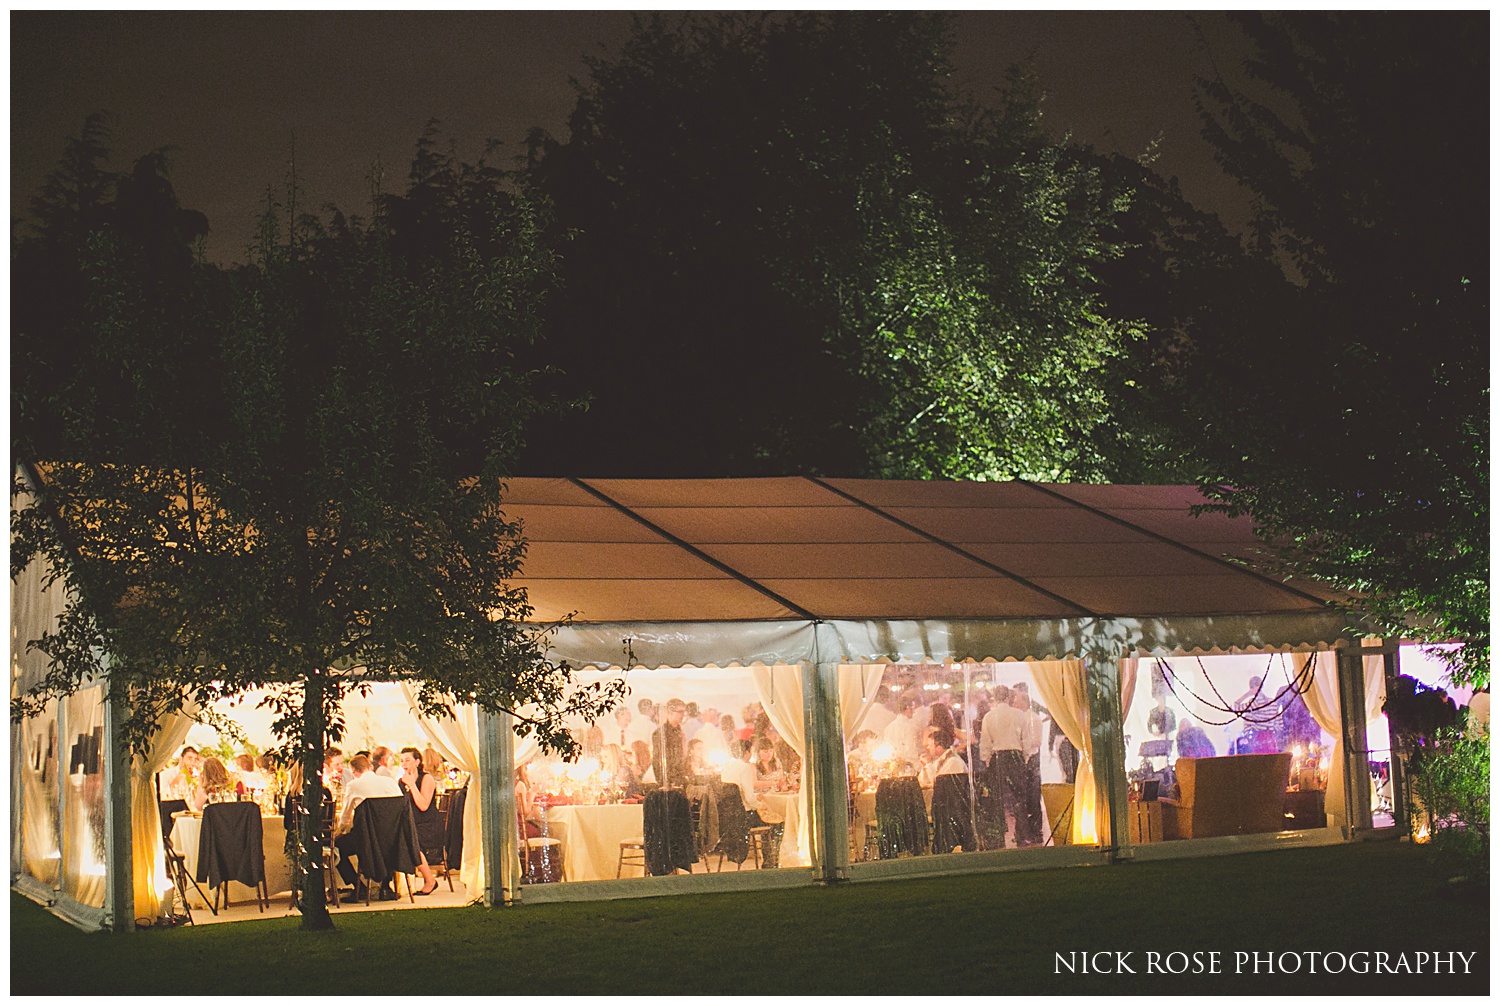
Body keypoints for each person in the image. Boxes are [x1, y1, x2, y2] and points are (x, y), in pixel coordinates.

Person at [334, 754, 404, 900]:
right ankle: (385, 887)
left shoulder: (353, 785)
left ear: (353, 772)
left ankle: (358, 886)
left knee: (337, 846)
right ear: (370, 767)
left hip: (366, 839)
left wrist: (339, 831)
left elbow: (345, 817)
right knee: (385, 843)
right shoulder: (390, 782)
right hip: (393, 836)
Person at [980, 685, 1026, 847]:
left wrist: (986, 759)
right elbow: (1025, 738)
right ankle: (1022, 834)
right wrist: (1024, 756)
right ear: (1008, 697)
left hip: (998, 757)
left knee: (997, 798)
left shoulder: (989, 717)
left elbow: (985, 741)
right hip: (1015, 755)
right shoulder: (1019, 715)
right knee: (1019, 796)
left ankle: (998, 835)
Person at [398, 747, 442, 895]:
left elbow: (423, 805)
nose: (404, 764)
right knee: (396, 836)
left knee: (411, 840)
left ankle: (430, 880)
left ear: (417, 761)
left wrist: (411, 785)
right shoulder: (401, 781)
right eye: (402, 760)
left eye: (408, 760)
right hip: (411, 822)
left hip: (428, 824)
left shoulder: (426, 778)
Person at [1012, 683, 1044, 846]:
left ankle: (1035, 831)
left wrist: (1023, 743)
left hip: (1031, 760)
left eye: (1017, 701)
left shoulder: (1033, 719)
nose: (1014, 703)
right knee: (1025, 797)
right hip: (1025, 759)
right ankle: (1027, 832)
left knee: (1033, 797)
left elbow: (1036, 741)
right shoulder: (1022, 718)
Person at [651, 698, 690, 790]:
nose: (683, 715)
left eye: (684, 712)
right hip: (668, 782)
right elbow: (657, 760)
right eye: (680, 712)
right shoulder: (661, 733)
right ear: (670, 712)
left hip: (681, 779)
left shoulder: (680, 731)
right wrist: (663, 782)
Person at [882, 694, 921, 767]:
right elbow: (911, 752)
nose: (914, 711)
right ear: (907, 708)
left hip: (892, 764)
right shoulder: (909, 728)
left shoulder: (888, 727)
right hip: (908, 766)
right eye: (912, 708)